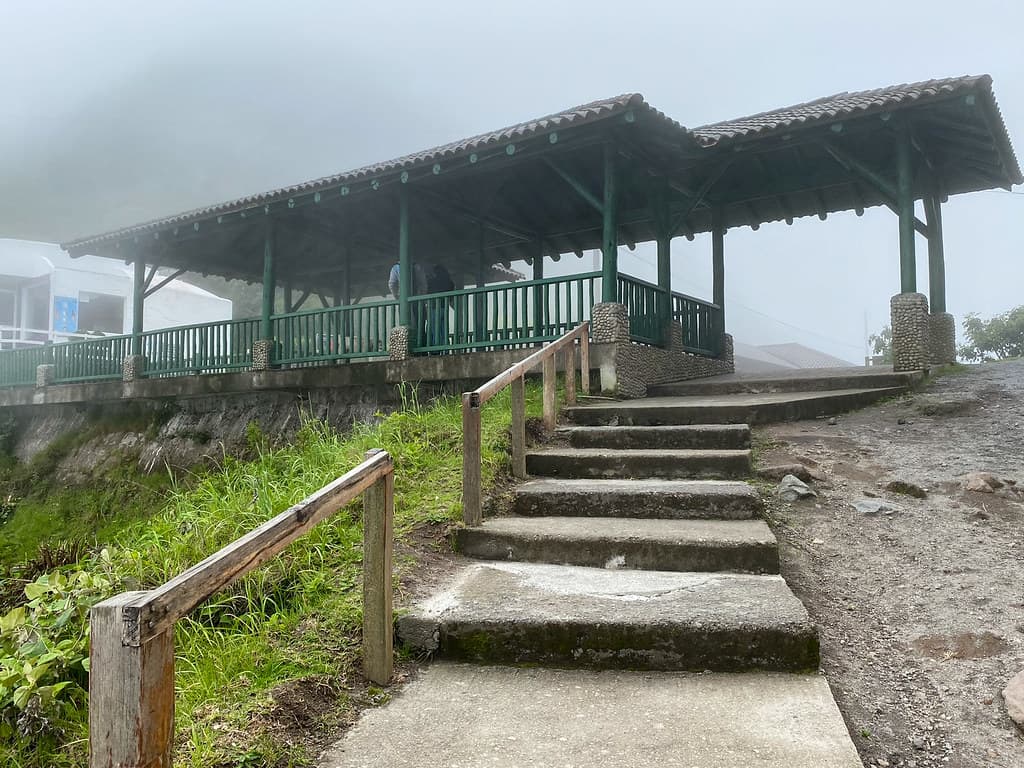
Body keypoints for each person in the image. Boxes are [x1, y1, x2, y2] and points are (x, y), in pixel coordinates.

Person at [387, 262, 428, 344]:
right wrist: (422, 296)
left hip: (403, 301)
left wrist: (398, 297)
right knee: (420, 324)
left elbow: (392, 284)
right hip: (418, 300)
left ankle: (409, 345)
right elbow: (423, 284)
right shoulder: (417, 267)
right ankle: (421, 346)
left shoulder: (395, 268)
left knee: (405, 325)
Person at [425, 263, 455, 349]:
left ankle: (436, 348)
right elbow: (451, 297)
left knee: (435, 329)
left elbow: (427, 291)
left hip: (434, 307)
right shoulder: (449, 282)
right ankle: (445, 347)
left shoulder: (432, 282)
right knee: (443, 328)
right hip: (444, 308)